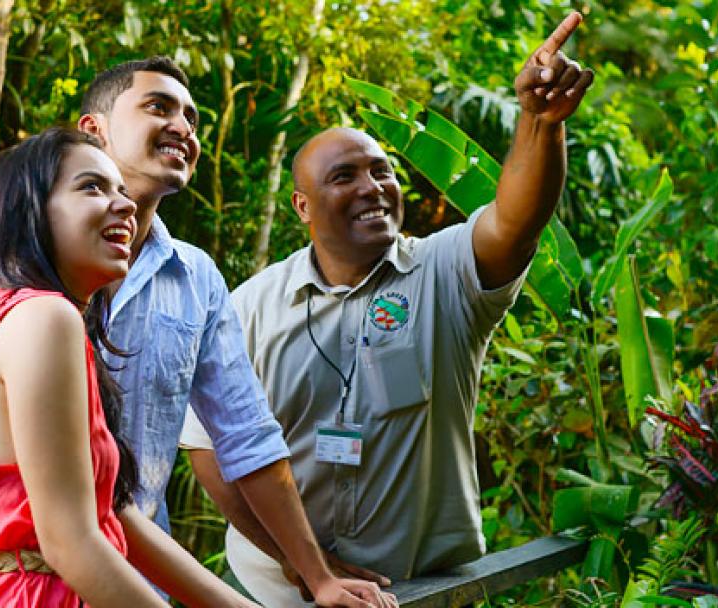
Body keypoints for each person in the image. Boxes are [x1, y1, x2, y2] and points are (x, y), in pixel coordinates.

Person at [0, 57, 391, 607]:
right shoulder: (1, 270)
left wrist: (316, 577)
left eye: (193, 118)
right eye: (158, 107)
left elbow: (238, 440)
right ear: (92, 131)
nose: (184, 128)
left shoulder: (189, 279)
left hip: (129, 581)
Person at [178, 14, 596, 606]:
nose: (372, 187)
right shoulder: (251, 306)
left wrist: (540, 121)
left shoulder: (446, 273)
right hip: (273, 590)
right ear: (302, 205)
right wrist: (305, 562)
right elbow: (208, 453)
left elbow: (516, 221)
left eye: (383, 171)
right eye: (343, 177)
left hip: (418, 589)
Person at [0, 127, 259, 606]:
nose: (125, 205)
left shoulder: (12, 315)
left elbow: (113, 517)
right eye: (91, 187)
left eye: (120, 189)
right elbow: (72, 543)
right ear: (28, 212)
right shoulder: (44, 318)